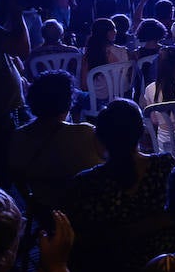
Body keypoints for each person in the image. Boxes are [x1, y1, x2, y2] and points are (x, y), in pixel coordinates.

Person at [62, 98, 175, 272]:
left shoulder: (86, 184)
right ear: (141, 132)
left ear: (101, 138)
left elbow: (81, 247)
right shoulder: (165, 167)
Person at [8, 70, 104, 214]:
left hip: (45, 212)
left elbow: (18, 179)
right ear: (67, 102)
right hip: (86, 211)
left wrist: (31, 203)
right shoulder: (85, 133)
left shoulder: (18, 137)